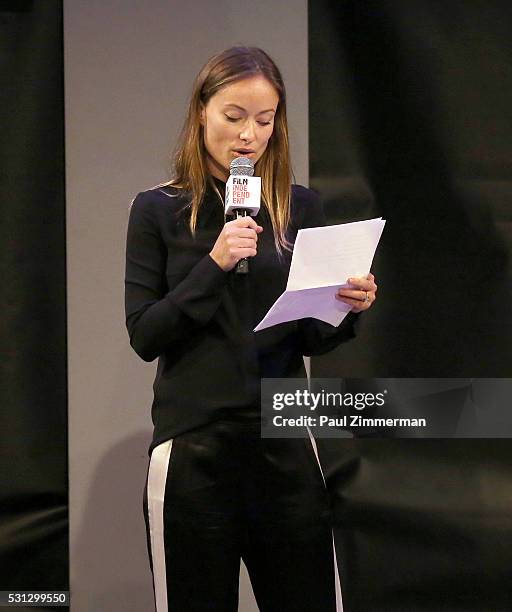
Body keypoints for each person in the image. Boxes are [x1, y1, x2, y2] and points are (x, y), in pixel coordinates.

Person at [125, 46, 377, 612]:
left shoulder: (298, 206)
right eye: (234, 117)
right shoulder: (158, 210)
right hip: (194, 448)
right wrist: (212, 265)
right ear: (202, 114)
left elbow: (310, 337)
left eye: (264, 121)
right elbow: (145, 334)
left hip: (283, 443)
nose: (249, 136)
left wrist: (346, 306)